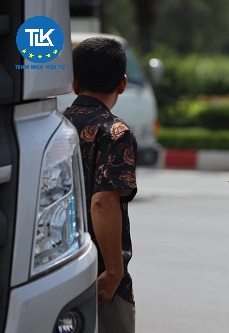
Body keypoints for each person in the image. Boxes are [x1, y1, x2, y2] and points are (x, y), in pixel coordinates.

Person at [63, 37, 137, 333]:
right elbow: (103, 202)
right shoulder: (115, 132)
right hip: (97, 275)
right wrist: (113, 271)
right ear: (122, 84)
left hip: (54, 268)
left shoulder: (55, 125)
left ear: (74, 82)